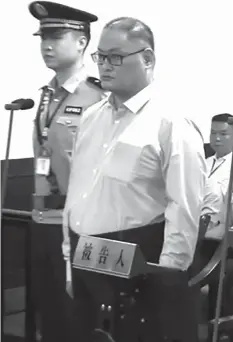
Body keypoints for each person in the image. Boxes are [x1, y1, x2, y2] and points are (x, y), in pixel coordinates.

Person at [63, 17, 207, 342]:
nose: (105, 66)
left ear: (148, 59)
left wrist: (167, 277)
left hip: (140, 263)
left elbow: (183, 206)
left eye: (116, 56)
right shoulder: (90, 118)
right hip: (87, 256)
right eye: (100, 57)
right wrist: (69, 260)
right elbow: (78, 193)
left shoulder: (171, 121)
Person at [28, 2, 104, 342]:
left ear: (82, 43)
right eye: (43, 37)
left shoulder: (98, 97)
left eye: (57, 37)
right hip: (42, 220)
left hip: (80, 227)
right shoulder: (45, 96)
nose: (47, 45)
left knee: (78, 318)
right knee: (50, 313)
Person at [199, 114, 233, 328]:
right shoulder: (203, 161)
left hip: (223, 242)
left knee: (219, 288)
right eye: (213, 133)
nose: (217, 138)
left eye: (223, 134)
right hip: (198, 235)